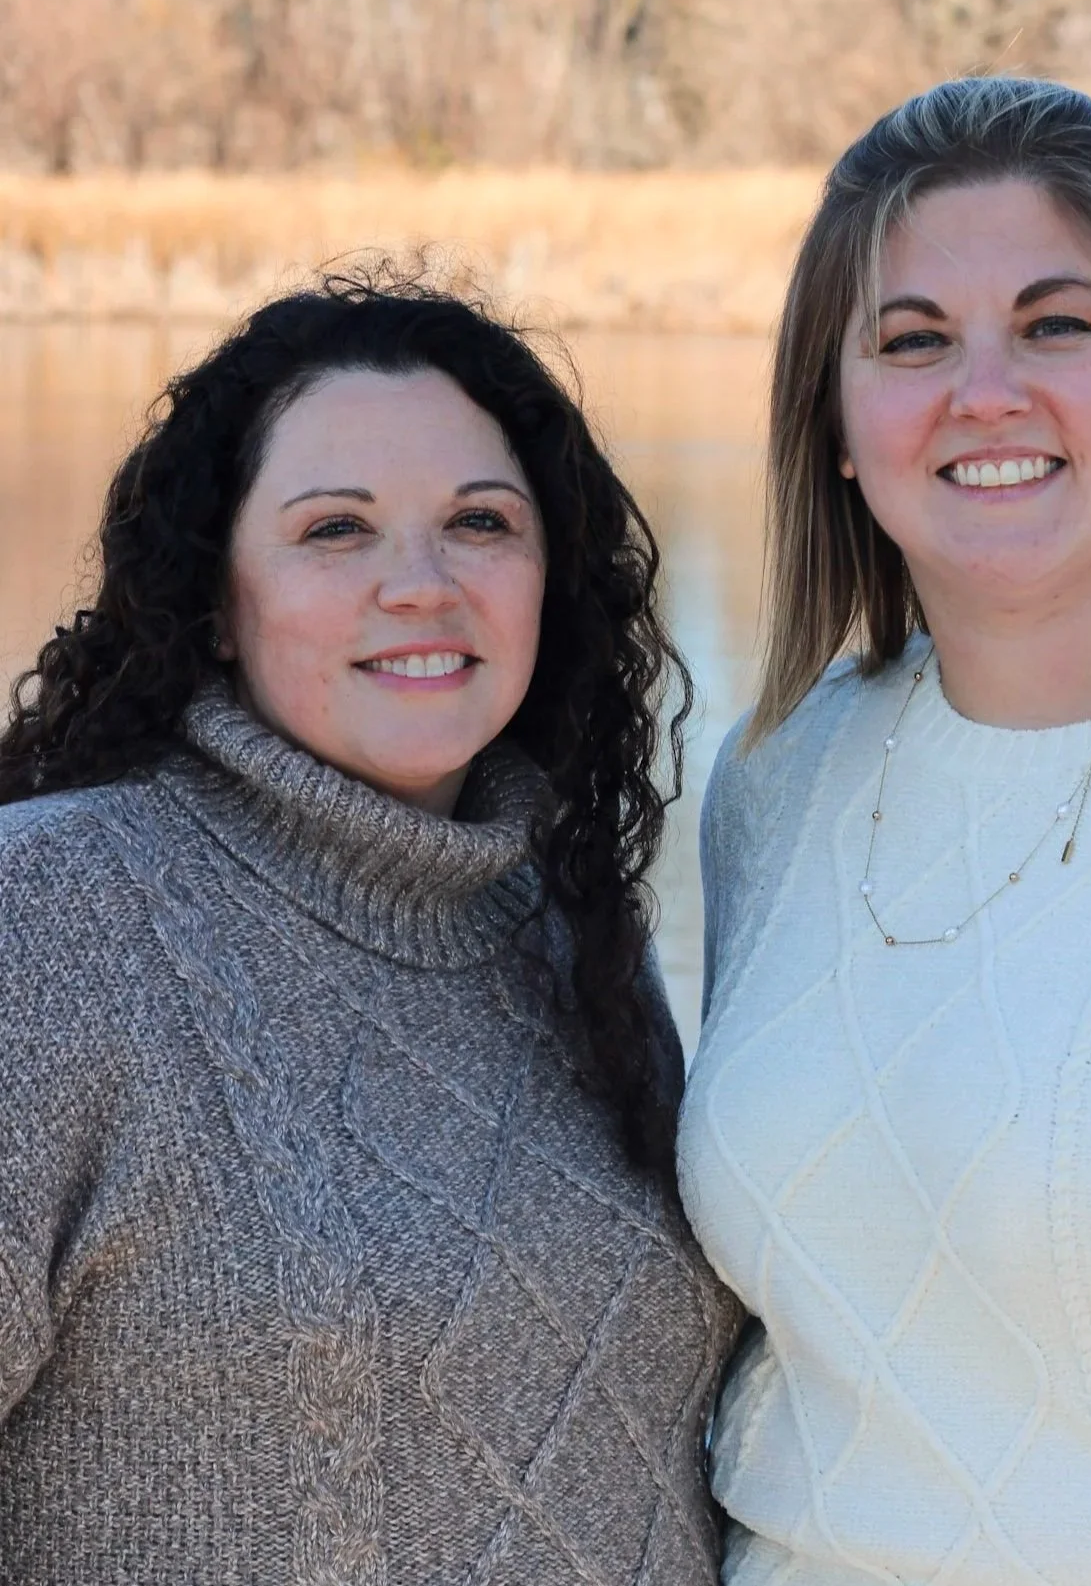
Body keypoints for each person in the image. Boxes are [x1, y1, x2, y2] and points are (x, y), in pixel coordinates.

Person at [676, 76, 1091, 1586]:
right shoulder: (779, 774)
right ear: (839, 429)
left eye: (1058, 325)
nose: (984, 393)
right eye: (912, 342)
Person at [0, 271, 742, 1584]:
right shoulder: (52, 916)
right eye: (335, 529)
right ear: (217, 603)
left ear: (548, 581)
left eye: (480, 522)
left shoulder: (569, 937)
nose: (421, 584)